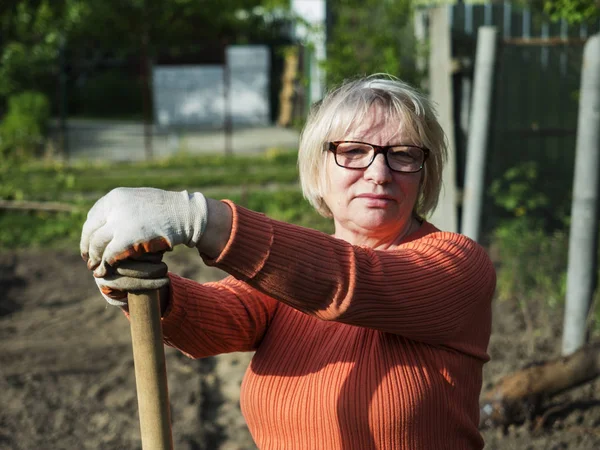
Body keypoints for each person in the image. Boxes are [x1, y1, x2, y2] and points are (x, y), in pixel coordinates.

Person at [80, 75, 496, 450]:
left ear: (426, 172)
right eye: (353, 152)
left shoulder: (457, 265)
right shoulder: (293, 274)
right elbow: (214, 320)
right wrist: (136, 287)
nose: (380, 173)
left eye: (402, 154)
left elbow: (353, 282)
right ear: (317, 171)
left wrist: (201, 218)